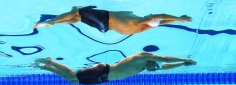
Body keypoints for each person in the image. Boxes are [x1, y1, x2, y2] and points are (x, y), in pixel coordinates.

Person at [34, 52, 197, 85]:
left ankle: (48, 68)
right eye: (154, 66)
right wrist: (184, 58)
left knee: (73, 81)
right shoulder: (141, 57)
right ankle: (51, 61)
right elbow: (164, 59)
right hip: (103, 70)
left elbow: (164, 66)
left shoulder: (144, 67)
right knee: (72, 75)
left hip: (105, 78)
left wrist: (182, 65)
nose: (154, 69)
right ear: (152, 61)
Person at [34, 6, 192, 34]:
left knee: (75, 11)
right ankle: (53, 24)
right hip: (104, 28)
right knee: (76, 19)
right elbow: (162, 22)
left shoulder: (139, 21)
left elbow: (162, 15)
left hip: (106, 17)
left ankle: (53, 22)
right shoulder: (141, 28)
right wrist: (177, 21)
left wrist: (180, 18)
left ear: (148, 19)